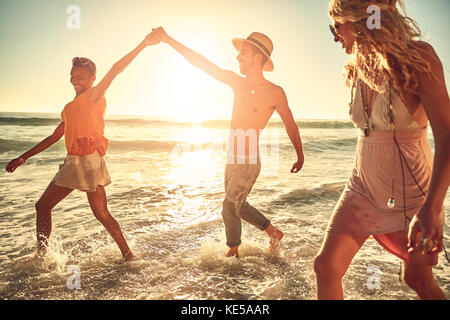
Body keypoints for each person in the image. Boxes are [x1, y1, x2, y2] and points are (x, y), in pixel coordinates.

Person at [314, 0, 449, 299]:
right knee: (326, 267)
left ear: (359, 18)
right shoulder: (357, 66)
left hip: (414, 190)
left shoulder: (418, 58)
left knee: (417, 279)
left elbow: (447, 134)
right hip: (362, 183)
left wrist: (432, 206)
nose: (335, 37)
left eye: (336, 27)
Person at [5, 30, 162, 261]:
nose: (75, 79)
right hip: (75, 162)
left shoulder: (95, 96)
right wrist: (22, 158)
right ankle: (125, 254)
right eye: (72, 75)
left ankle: (44, 257)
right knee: (79, 211)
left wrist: (143, 44)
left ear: (92, 80)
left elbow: (116, 69)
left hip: (87, 162)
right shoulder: (70, 107)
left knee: (62, 208)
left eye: (80, 76)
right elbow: (54, 137)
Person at [152, 27, 304, 258]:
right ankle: (273, 232)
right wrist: (169, 39)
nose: (237, 56)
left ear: (258, 57)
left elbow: (290, 125)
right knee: (238, 206)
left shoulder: (275, 92)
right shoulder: (237, 82)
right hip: (232, 158)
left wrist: (300, 155)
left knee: (229, 206)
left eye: (243, 52)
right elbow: (202, 63)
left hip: (249, 160)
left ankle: (233, 253)